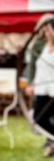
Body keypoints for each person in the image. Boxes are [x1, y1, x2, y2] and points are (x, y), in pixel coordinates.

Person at [27, 15, 54, 153]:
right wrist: (30, 84)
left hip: (52, 91)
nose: (47, 31)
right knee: (38, 118)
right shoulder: (41, 45)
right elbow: (34, 66)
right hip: (41, 89)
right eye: (46, 29)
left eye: (49, 29)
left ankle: (51, 144)